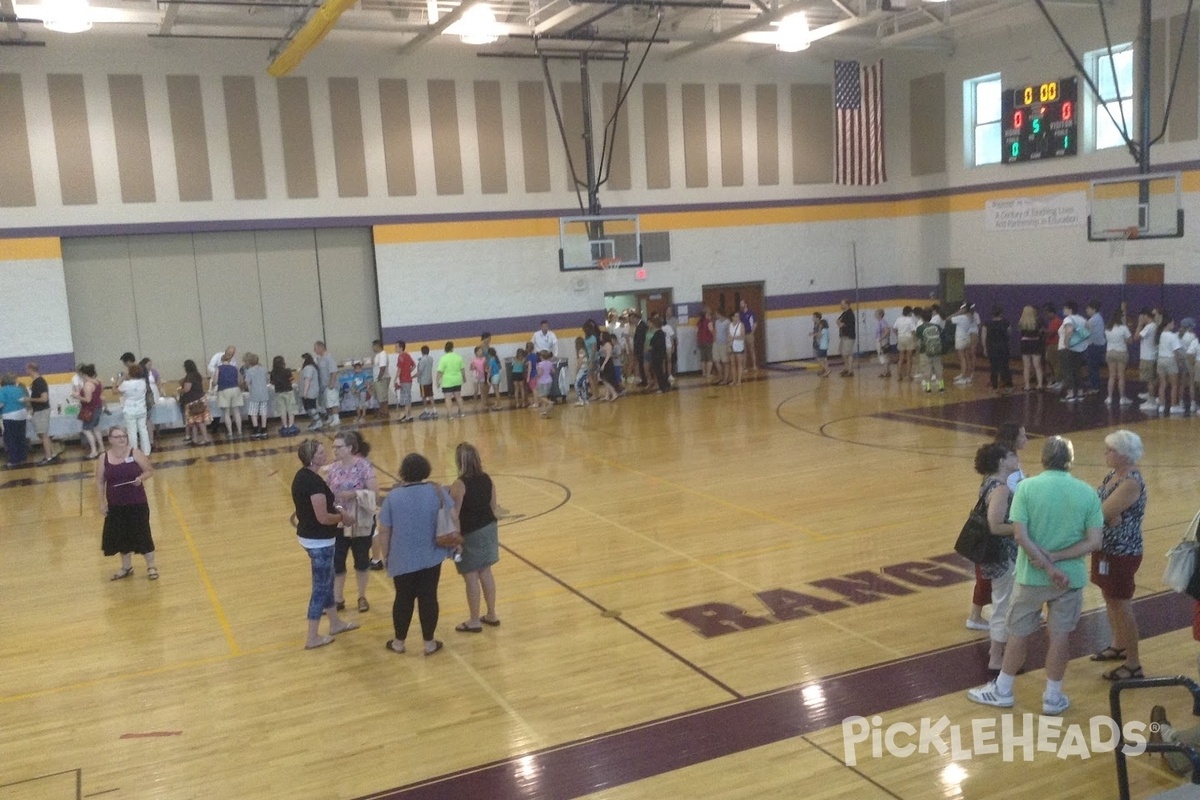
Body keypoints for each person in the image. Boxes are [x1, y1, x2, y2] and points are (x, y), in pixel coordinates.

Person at [967, 436, 1103, 716]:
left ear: (1043, 459)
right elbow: (1094, 542)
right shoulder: (1087, 492)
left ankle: (1003, 690)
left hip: (1031, 577)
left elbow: (1020, 534)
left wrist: (1045, 563)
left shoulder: (1027, 488)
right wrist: (1057, 560)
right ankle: (1053, 697)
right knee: (1060, 637)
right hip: (1071, 578)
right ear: (1070, 460)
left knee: (1017, 635)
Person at [377, 452, 459, 655]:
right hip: (432, 555)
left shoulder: (393, 497)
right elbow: (453, 517)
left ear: (403, 472)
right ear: (425, 470)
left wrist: (386, 556)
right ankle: (429, 643)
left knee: (402, 599)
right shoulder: (437, 492)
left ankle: (399, 642)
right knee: (429, 597)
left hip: (401, 557)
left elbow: (384, 530)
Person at [1088, 430, 1147, 681]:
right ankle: (1118, 644)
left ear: (1125, 455)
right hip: (1106, 548)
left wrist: (1103, 514)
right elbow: (1096, 507)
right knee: (1109, 597)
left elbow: (1098, 514)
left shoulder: (1130, 482)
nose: (1106, 454)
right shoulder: (1113, 475)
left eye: (1110, 450)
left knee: (1121, 604)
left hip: (1123, 551)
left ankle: (1133, 664)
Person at [291, 439, 359, 650]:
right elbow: (322, 517)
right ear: (313, 457)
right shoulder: (314, 483)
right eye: (321, 452)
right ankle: (312, 637)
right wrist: (342, 518)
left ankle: (335, 623)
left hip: (311, 537)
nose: (326, 453)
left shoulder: (303, 476)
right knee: (320, 587)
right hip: (319, 540)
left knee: (327, 580)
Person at [971, 444, 1020, 672]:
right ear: (1001, 461)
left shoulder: (988, 482)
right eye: (1011, 454)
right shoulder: (999, 488)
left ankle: (995, 651)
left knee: (1002, 602)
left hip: (994, 554)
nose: (1016, 457)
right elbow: (995, 525)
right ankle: (996, 658)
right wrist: (1021, 529)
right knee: (1003, 605)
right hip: (1002, 554)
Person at [449, 442, 502, 633]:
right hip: (488, 528)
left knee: (470, 576)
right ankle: (491, 613)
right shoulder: (487, 479)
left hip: (470, 533)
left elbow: (454, 514)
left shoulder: (459, 484)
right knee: (486, 572)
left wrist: (456, 540)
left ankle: (474, 620)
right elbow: (493, 506)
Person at [327, 431, 378, 614]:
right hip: (339, 521)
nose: (335, 450)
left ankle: (362, 596)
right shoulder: (332, 469)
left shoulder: (364, 467)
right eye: (334, 447)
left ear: (350, 448)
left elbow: (374, 494)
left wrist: (354, 494)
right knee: (338, 560)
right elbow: (328, 494)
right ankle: (338, 598)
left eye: (339, 447)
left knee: (361, 559)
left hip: (360, 521)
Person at [97, 425, 158, 581]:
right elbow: (100, 481)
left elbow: (149, 471)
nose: (122, 439)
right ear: (110, 440)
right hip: (116, 505)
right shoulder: (104, 458)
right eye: (118, 437)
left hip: (137, 503)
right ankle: (126, 567)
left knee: (142, 534)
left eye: (124, 436)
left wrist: (140, 479)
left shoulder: (135, 453)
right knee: (121, 537)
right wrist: (102, 502)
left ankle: (151, 566)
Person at [25, 362, 61, 464]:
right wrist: (33, 408)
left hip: (42, 411)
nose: (26, 371)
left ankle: (48, 457)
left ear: (31, 369)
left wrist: (29, 399)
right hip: (38, 410)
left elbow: (44, 399)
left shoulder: (39, 382)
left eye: (27, 369)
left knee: (43, 435)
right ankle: (53, 453)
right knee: (42, 435)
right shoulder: (36, 381)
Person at [1058, 301, 1090, 403]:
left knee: (1067, 371)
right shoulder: (1082, 319)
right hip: (1079, 349)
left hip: (1067, 349)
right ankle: (1080, 393)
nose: (1063, 310)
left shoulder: (1068, 319)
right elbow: (1088, 331)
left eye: (1065, 308)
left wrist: (1066, 343)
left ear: (1070, 309)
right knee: (1077, 370)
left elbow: (1069, 330)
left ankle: (1070, 394)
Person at [72, 364, 105, 459]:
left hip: (90, 409)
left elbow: (88, 400)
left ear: (84, 374)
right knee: (96, 428)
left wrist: (76, 396)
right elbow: (99, 393)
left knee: (86, 430)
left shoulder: (87, 385)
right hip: (98, 407)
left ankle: (93, 451)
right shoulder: (98, 381)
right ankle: (101, 447)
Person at [118, 363, 152, 454]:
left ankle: (134, 451)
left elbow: (115, 391)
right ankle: (146, 451)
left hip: (130, 410)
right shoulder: (143, 382)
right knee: (143, 430)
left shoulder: (126, 384)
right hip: (141, 408)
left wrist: (118, 380)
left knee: (132, 432)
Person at [179, 359, 213, 446]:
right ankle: (195, 439)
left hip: (193, 401)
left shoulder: (189, 376)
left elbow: (187, 389)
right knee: (197, 421)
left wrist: (180, 391)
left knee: (197, 421)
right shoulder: (197, 375)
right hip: (200, 399)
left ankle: (205, 438)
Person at [0, 373, 30, 467]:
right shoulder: (19, 389)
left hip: (10, 415)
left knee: (11, 438)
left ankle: (13, 460)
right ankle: (22, 456)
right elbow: (25, 401)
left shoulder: (3, 390)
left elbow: (1, 404)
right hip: (22, 414)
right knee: (20, 437)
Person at [981, 305, 1013, 392]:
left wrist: (984, 348)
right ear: (1001, 313)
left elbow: (983, 337)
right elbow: (1009, 333)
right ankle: (1008, 385)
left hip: (992, 347)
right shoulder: (1006, 323)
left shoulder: (987, 324)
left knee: (993, 367)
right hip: (1003, 346)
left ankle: (994, 385)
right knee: (1005, 366)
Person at [1104, 313, 1132, 406]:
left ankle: (1109, 397)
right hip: (1121, 352)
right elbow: (1130, 340)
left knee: (1111, 376)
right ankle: (1122, 398)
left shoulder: (1108, 329)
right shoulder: (1124, 328)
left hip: (1110, 352)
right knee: (1121, 376)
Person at [213, 351, 243, 440]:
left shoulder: (218, 369)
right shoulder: (235, 368)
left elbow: (214, 382)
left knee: (226, 412)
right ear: (230, 360)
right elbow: (240, 381)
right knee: (236, 412)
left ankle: (230, 433)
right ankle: (240, 431)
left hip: (224, 390)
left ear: (221, 360)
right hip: (235, 389)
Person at [1133, 308, 1158, 408]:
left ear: (1145, 316)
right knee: (1152, 379)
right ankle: (1150, 396)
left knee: (1150, 380)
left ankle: (1151, 402)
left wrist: (1139, 325)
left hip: (1147, 357)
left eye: (1141, 317)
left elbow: (1136, 337)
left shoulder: (1149, 327)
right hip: (1152, 355)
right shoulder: (1154, 326)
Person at [915, 308, 945, 393]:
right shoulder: (936, 326)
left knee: (926, 369)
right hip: (936, 350)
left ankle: (928, 387)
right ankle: (941, 386)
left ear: (922, 317)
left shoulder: (920, 328)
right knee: (938, 368)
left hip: (925, 351)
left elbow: (918, 338)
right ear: (931, 317)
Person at [313, 341, 341, 428]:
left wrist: (332, 383)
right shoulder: (320, 358)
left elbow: (334, 371)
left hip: (330, 385)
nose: (314, 350)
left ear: (321, 347)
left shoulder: (329, 357)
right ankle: (330, 417)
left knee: (333, 402)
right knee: (327, 403)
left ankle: (336, 419)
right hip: (323, 386)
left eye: (315, 348)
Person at [242, 353, 270, 439]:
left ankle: (256, 429)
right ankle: (264, 429)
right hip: (264, 393)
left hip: (254, 394)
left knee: (253, 412)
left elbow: (247, 383)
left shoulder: (249, 371)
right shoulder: (263, 369)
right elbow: (267, 379)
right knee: (263, 412)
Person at [1017, 305, 1045, 391]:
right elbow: (1040, 332)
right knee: (1037, 365)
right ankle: (1040, 385)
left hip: (1025, 342)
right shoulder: (1038, 321)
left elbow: (1021, 332)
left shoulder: (1021, 322)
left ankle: (1027, 385)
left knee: (1026, 366)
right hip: (1035, 342)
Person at [437, 341, 466, 419]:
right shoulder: (458, 357)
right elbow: (462, 369)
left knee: (448, 398)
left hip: (447, 381)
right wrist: (464, 378)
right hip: (457, 380)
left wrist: (437, 381)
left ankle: (450, 415)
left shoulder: (443, 358)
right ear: (452, 348)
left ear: (445, 349)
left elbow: (440, 371)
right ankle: (462, 412)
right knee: (458, 396)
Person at [270, 355, 298, 436]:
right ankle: (291, 425)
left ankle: (285, 426)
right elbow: (292, 380)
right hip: (288, 391)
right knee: (291, 408)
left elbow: (272, 382)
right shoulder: (287, 371)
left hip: (278, 392)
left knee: (282, 410)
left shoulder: (273, 372)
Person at [1085, 300, 1106, 392]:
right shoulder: (1099, 318)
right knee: (1094, 367)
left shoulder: (1093, 320)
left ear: (1093, 309)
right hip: (1098, 345)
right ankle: (1094, 382)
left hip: (1094, 346)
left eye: (1088, 309)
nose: (1086, 310)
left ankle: (1095, 386)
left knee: (1093, 366)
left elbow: (1084, 333)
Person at [893, 306, 918, 382]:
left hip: (900, 338)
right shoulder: (910, 320)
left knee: (901, 358)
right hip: (909, 338)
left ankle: (899, 376)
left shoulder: (898, 319)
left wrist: (898, 335)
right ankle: (909, 376)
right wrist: (915, 339)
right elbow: (913, 331)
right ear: (910, 312)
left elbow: (894, 329)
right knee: (909, 358)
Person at [393, 340, 416, 423]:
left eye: (396, 347)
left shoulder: (401, 357)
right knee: (408, 398)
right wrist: (408, 372)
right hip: (408, 380)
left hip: (404, 380)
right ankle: (409, 415)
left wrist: (395, 379)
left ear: (401, 348)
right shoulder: (407, 355)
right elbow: (414, 365)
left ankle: (406, 416)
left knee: (406, 398)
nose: (395, 348)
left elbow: (399, 369)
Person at [299, 353, 321, 428]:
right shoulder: (309, 368)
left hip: (310, 392)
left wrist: (305, 392)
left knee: (311, 407)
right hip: (309, 391)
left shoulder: (308, 368)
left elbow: (307, 380)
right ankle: (315, 421)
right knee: (308, 408)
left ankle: (318, 421)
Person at [417, 345, 437, 419]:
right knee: (431, 396)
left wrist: (412, 376)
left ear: (421, 351)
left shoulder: (422, 360)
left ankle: (427, 411)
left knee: (424, 397)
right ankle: (435, 411)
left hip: (423, 381)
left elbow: (420, 371)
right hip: (429, 380)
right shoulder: (431, 358)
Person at [837, 299, 856, 376]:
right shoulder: (844, 313)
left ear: (847, 304)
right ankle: (846, 368)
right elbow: (838, 321)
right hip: (844, 336)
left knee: (848, 353)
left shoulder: (850, 313)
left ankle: (850, 370)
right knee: (843, 352)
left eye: (842, 304)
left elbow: (843, 324)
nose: (841, 305)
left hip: (848, 336)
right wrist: (840, 323)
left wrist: (841, 324)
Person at [372, 339, 390, 419]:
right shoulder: (378, 355)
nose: (372, 348)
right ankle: (382, 411)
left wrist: (379, 377)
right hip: (378, 379)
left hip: (381, 379)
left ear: (377, 346)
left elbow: (382, 367)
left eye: (373, 346)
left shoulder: (382, 354)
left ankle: (385, 413)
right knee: (380, 397)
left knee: (383, 397)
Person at [533, 349, 555, 416]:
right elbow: (553, 371)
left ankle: (550, 402)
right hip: (549, 381)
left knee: (540, 396)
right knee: (545, 396)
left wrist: (536, 377)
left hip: (542, 381)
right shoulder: (550, 363)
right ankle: (545, 411)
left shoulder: (540, 364)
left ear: (541, 357)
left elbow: (540, 373)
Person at [712, 309, 730, 385]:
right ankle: (720, 376)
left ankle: (725, 379)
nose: (716, 315)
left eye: (717, 314)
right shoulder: (716, 322)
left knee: (725, 362)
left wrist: (729, 345)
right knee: (716, 360)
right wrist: (714, 340)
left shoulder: (727, 322)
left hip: (724, 343)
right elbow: (716, 331)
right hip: (716, 343)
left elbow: (728, 333)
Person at [739, 300, 758, 372]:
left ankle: (754, 365)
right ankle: (744, 367)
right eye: (740, 304)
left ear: (746, 304)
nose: (741, 305)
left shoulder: (750, 313)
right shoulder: (740, 314)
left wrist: (752, 332)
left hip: (749, 333)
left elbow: (755, 323)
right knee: (744, 351)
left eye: (742, 303)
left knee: (751, 350)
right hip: (743, 334)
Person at [727, 312, 746, 386]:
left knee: (739, 363)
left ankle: (739, 381)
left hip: (739, 346)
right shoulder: (730, 325)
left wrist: (733, 337)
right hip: (731, 345)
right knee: (732, 364)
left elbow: (742, 336)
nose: (737, 317)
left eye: (738, 316)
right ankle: (734, 380)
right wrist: (729, 343)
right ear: (732, 317)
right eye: (736, 316)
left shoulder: (741, 325)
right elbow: (728, 336)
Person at [697, 306, 715, 380]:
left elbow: (697, 332)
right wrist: (715, 335)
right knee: (709, 358)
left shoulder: (699, 322)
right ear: (707, 314)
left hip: (700, 341)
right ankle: (708, 373)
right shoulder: (709, 321)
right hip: (708, 341)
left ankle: (703, 373)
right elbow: (711, 330)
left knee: (703, 358)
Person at [874, 309, 892, 378]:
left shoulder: (882, 322)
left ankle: (885, 371)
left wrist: (881, 338)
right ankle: (887, 371)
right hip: (882, 340)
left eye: (876, 313)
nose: (875, 315)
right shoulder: (880, 322)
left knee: (883, 356)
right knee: (884, 355)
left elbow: (887, 330)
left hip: (882, 341)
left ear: (880, 314)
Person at [812, 313, 830, 377]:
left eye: (814, 317)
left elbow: (819, 335)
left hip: (821, 345)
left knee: (819, 358)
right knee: (823, 358)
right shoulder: (825, 329)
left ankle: (826, 369)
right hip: (822, 345)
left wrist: (814, 334)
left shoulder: (823, 329)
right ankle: (824, 370)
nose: (813, 318)